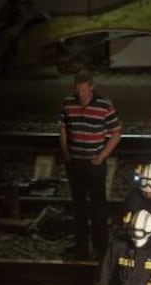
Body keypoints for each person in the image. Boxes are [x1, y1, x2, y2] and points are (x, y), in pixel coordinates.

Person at [59, 68, 122, 259]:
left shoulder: (104, 105)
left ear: (91, 87)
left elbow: (116, 133)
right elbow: (63, 129)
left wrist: (101, 157)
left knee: (98, 207)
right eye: (78, 90)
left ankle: (100, 246)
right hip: (75, 162)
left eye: (84, 90)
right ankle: (81, 247)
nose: (81, 94)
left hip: (94, 164)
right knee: (78, 207)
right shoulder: (68, 103)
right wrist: (67, 154)